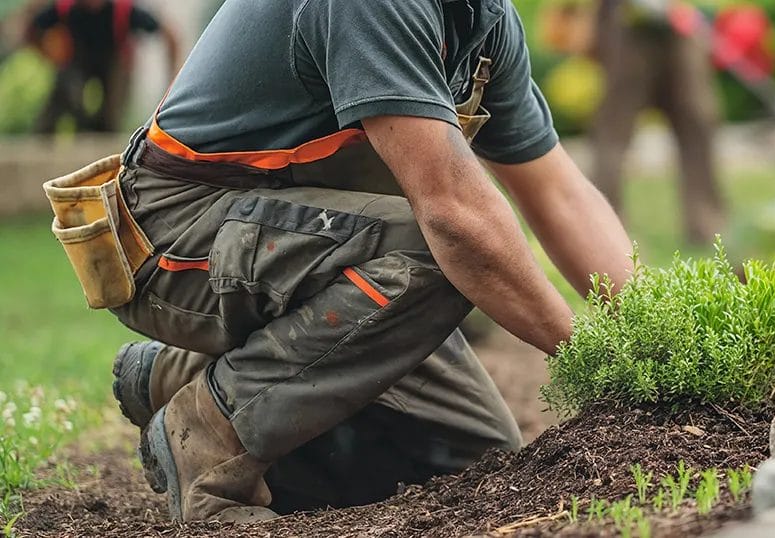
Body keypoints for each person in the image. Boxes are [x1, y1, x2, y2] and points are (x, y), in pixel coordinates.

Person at [43, 0, 635, 523]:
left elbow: (557, 191)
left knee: (471, 454)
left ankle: (182, 376)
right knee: (442, 249)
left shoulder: (485, 20)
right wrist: (599, 358)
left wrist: (644, 330)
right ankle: (206, 437)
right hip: (174, 236)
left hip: (283, 242)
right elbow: (455, 215)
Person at [590, 0, 725, 245]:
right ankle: (602, 227)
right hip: (627, 26)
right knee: (615, 127)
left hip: (682, 22)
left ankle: (707, 224)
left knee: (697, 118)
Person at [24, 0, 179, 133]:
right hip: (77, 64)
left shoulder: (123, 10)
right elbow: (31, 29)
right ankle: (54, 131)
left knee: (110, 113)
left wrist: (172, 78)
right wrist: (47, 56)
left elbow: (169, 35)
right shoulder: (65, 8)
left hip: (113, 67)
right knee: (66, 89)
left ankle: (105, 130)